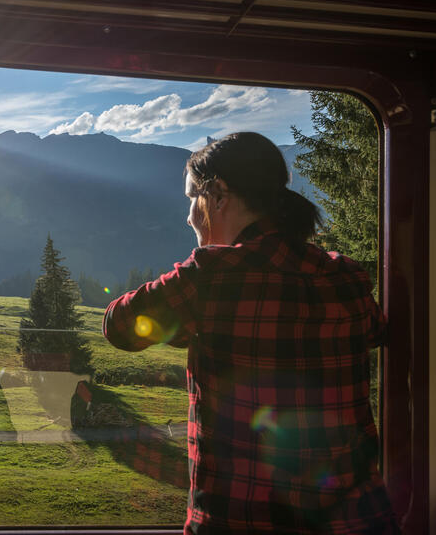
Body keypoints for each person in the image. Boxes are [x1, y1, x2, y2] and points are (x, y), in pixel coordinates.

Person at [102, 132, 397, 534]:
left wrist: (189, 312)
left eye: (193, 197)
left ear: (219, 194)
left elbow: (119, 326)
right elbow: (375, 330)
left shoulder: (210, 278)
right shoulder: (345, 274)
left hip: (241, 519)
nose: (189, 215)